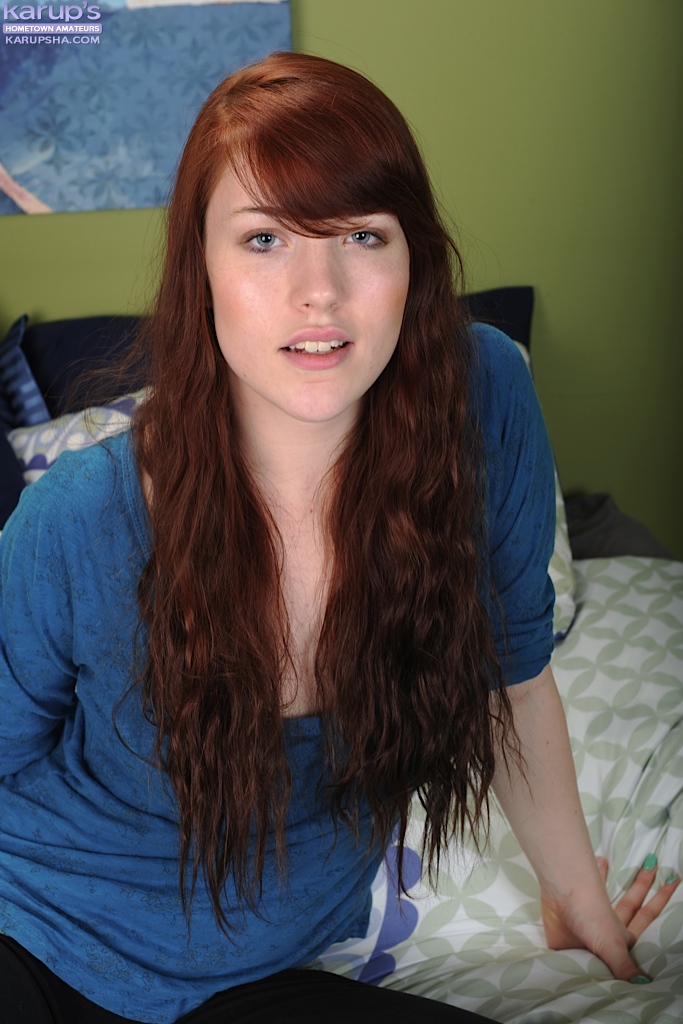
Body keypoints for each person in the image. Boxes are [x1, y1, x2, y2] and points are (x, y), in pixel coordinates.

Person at [0, 52, 677, 1024]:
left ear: (412, 262)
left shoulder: (480, 399)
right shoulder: (81, 516)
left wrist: (576, 898)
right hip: (36, 929)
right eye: (264, 238)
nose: (317, 289)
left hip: (263, 976)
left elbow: (513, 678)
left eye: (361, 234)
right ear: (200, 271)